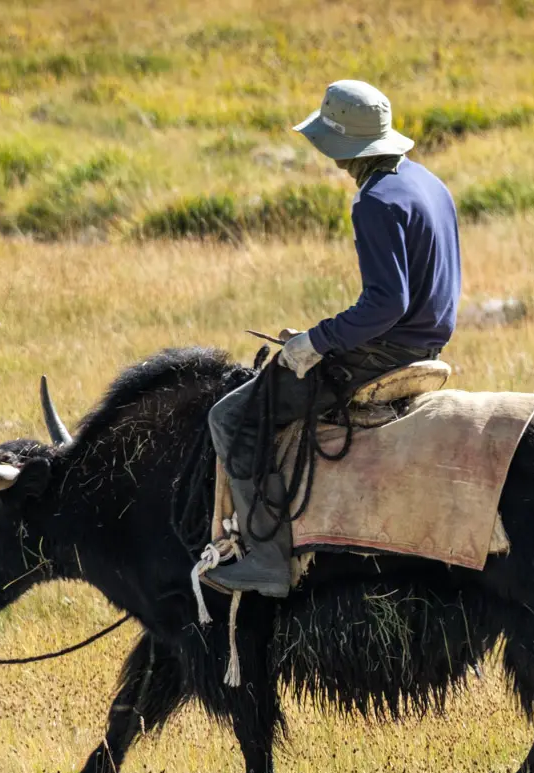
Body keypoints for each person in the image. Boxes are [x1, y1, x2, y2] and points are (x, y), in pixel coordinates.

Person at [203, 79, 462, 597]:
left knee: (232, 418)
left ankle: (268, 560)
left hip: (386, 352)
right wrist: (326, 336)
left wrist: (317, 342)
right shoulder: (426, 181)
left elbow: (386, 304)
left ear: (341, 146)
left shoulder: (375, 202)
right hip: (425, 344)